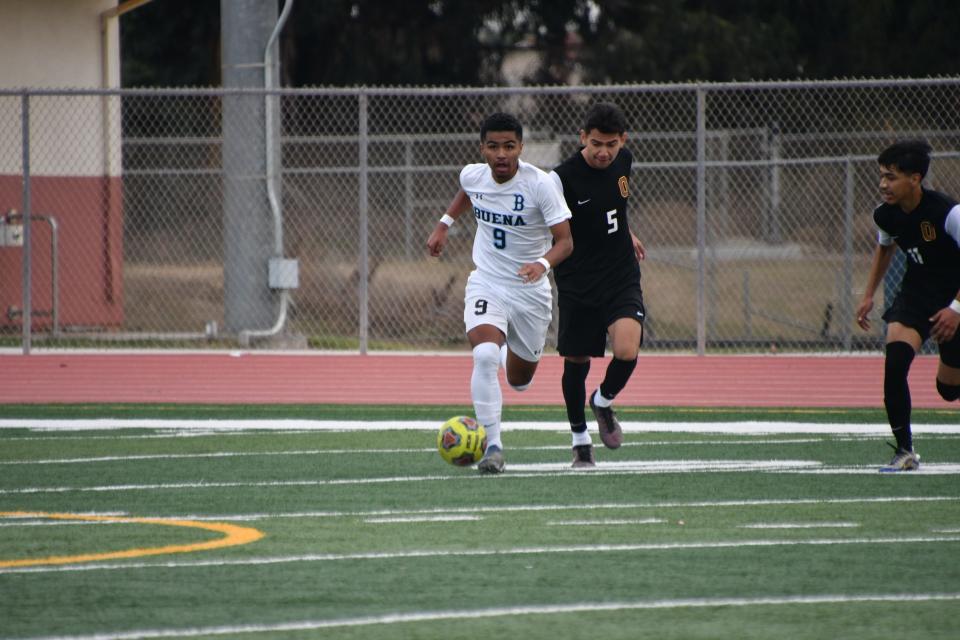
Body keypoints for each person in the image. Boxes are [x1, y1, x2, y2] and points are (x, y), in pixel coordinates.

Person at [427, 112, 573, 474]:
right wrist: (444, 225)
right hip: (487, 281)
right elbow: (469, 191)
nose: (501, 154)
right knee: (485, 356)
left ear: (521, 148)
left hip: (530, 291)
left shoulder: (540, 185)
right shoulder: (473, 173)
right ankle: (493, 446)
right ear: (482, 149)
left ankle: (509, 345)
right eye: (493, 146)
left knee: (519, 381)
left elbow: (566, 241)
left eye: (509, 146)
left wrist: (542, 264)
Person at [548, 102, 647, 468]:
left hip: (620, 274)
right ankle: (579, 440)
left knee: (626, 349)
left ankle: (603, 400)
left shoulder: (625, 162)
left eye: (611, 144)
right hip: (578, 281)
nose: (604, 152)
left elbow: (615, 208)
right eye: (596, 144)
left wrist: (628, 232)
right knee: (577, 359)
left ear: (623, 140)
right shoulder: (560, 178)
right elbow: (554, 225)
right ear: (582, 139)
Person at [855, 139, 960, 472]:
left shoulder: (948, 213)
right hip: (916, 295)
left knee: (947, 390)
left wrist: (956, 309)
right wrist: (869, 293)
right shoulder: (885, 215)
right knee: (895, 362)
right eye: (882, 176)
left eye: (892, 177)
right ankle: (905, 451)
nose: (883, 184)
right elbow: (884, 248)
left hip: (954, 298)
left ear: (915, 179)